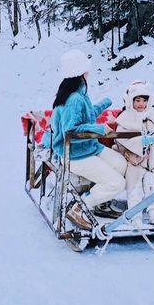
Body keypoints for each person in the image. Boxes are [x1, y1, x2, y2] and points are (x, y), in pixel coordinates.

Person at [47, 49, 127, 231]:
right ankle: (79, 208)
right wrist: (99, 129)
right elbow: (71, 131)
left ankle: (101, 203)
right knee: (117, 183)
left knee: (120, 164)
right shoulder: (75, 98)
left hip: (89, 147)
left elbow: (86, 117)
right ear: (82, 72)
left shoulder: (78, 93)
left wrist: (105, 104)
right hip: (75, 154)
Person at [113, 80, 154, 225]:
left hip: (153, 160)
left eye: (144, 100)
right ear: (130, 101)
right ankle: (135, 216)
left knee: (153, 185)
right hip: (133, 160)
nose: (141, 104)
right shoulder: (125, 118)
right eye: (137, 100)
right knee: (135, 188)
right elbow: (122, 139)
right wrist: (141, 142)